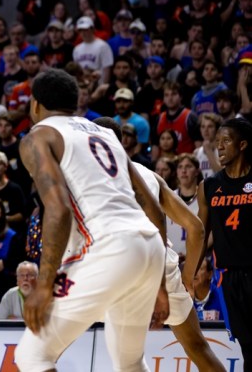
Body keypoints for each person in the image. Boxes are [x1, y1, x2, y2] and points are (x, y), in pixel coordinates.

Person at [14, 69, 168, 372]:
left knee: (32, 356)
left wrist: (45, 285)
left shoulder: (39, 137)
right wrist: (159, 283)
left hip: (110, 247)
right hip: (149, 246)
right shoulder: (105, 134)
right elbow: (154, 209)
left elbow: (58, 211)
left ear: (35, 105)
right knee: (130, 362)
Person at [94, 117, 224, 371]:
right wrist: (187, 277)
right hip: (163, 266)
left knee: (125, 359)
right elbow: (196, 228)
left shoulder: (89, 178)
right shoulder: (149, 175)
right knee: (198, 347)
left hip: (123, 269)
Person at [197, 118, 252, 366]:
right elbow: (200, 233)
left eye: (226, 141)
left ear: (242, 145)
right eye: (217, 142)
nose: (219, 147)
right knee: (247, 344)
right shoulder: (209, 186)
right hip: (228, 277)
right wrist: (189, 275)